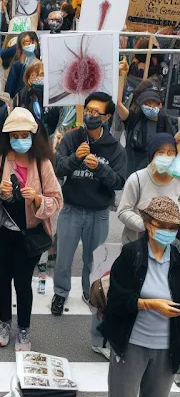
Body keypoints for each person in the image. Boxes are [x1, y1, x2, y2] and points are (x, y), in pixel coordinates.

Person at [0, 107, 62, 351]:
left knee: (23, 283)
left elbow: (57, 200)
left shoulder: (43, 163)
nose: (20, 140)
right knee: (3, 280)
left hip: (30, 234)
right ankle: (4, 322)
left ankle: (24, 328)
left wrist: (36, 199)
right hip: (1, 233)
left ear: (33, 135)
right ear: (7, 137)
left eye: (24, 135)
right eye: (15, 136)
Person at [50, 93, 127, 326]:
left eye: (96, 112)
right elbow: (58, 168)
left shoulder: (115, 148)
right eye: (88, 110)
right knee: (63, 258)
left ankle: (89, 290)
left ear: (107, 117)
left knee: (93, 260)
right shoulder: (73, 138)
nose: (91, 115)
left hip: (98, 213)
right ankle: (60, 292)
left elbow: (119, 182)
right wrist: (76, 158)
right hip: (71, 209)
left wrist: (100, 169)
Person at [100, 197, 180, 397]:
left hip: (166, 349)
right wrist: (149, 304)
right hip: (131, 344)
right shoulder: (131, 254)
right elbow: (116, 300)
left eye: (173, 227)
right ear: (147, 224)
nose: (168, 231)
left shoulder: (177, 258)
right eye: (162, 226)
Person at [118, 133, 180, 243]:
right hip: (138, 242)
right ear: (152, 155)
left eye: (171, 152)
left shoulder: (178, 181)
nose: (166, 157)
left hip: (170, 244)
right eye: (160, 152)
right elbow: (124, 210)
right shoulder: (137, 179)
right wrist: (146, 224)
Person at [117, 74, 176, 174]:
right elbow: (119, 104)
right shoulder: (134, 119)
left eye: (153, 102)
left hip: (156, 173)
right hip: (132, 172)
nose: (150, 106)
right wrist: (122, 75)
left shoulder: (165, 122)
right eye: (146, 103)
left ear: (160, 104)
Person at [14, 60, 59, 139]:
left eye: (41, 75)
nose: (37, 78)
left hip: (50, 137)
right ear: (28, 78)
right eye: (33, 75)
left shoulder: (54, 95)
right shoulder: (21, 96)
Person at [4, 31, 40, 99]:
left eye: (31, 42)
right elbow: (9, 91)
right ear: (21, 46)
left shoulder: (40, 64)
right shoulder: (17, 66)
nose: (30, 45)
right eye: (26, 43)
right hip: (20, 101)